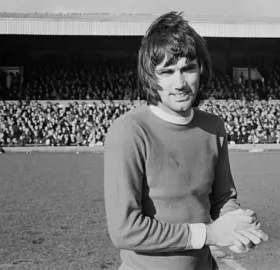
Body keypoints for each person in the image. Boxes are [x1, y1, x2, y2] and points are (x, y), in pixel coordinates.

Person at [104, 11, 269, 270]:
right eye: (167, 71)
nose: (179, 83)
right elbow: (125, 230)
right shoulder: (129, 131)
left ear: (201, 69)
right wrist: (211, 234)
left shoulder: (213, 127)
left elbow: (222, 198)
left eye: (188, 68)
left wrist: (238, 224)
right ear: (151, 78)